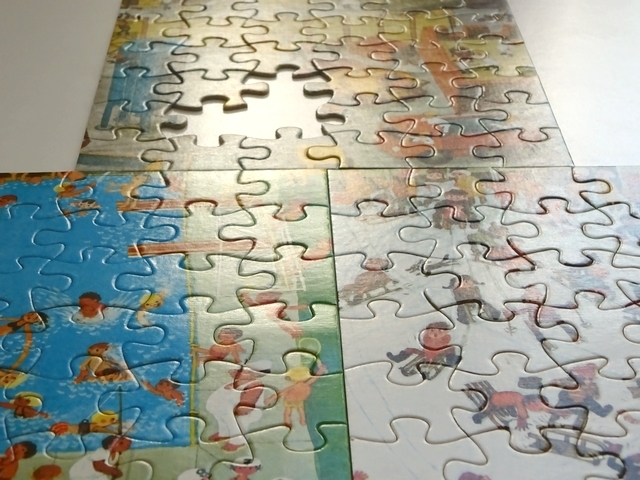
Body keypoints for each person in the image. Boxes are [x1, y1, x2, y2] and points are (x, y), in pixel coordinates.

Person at [206, 362, 272, 452]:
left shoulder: (255, 385)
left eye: (245, 371)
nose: (240, 372)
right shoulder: (238, 382)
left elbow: (248, 402)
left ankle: (237, 441)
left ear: (254, 375)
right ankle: (224, 433)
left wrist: (239, 411)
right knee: (222, 419)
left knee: (236, 424)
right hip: (227, 409)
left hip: (246, 413)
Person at [266, 362, 327, 428]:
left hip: (298, 400)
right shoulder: (297, 386)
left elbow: (314, 378)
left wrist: (320, 371)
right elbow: (281, 393)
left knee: (300, 411)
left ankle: (301, 421)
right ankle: (288, 423)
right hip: (290, 400)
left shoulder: (305, 384)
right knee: (289, 412)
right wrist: (270, 399)